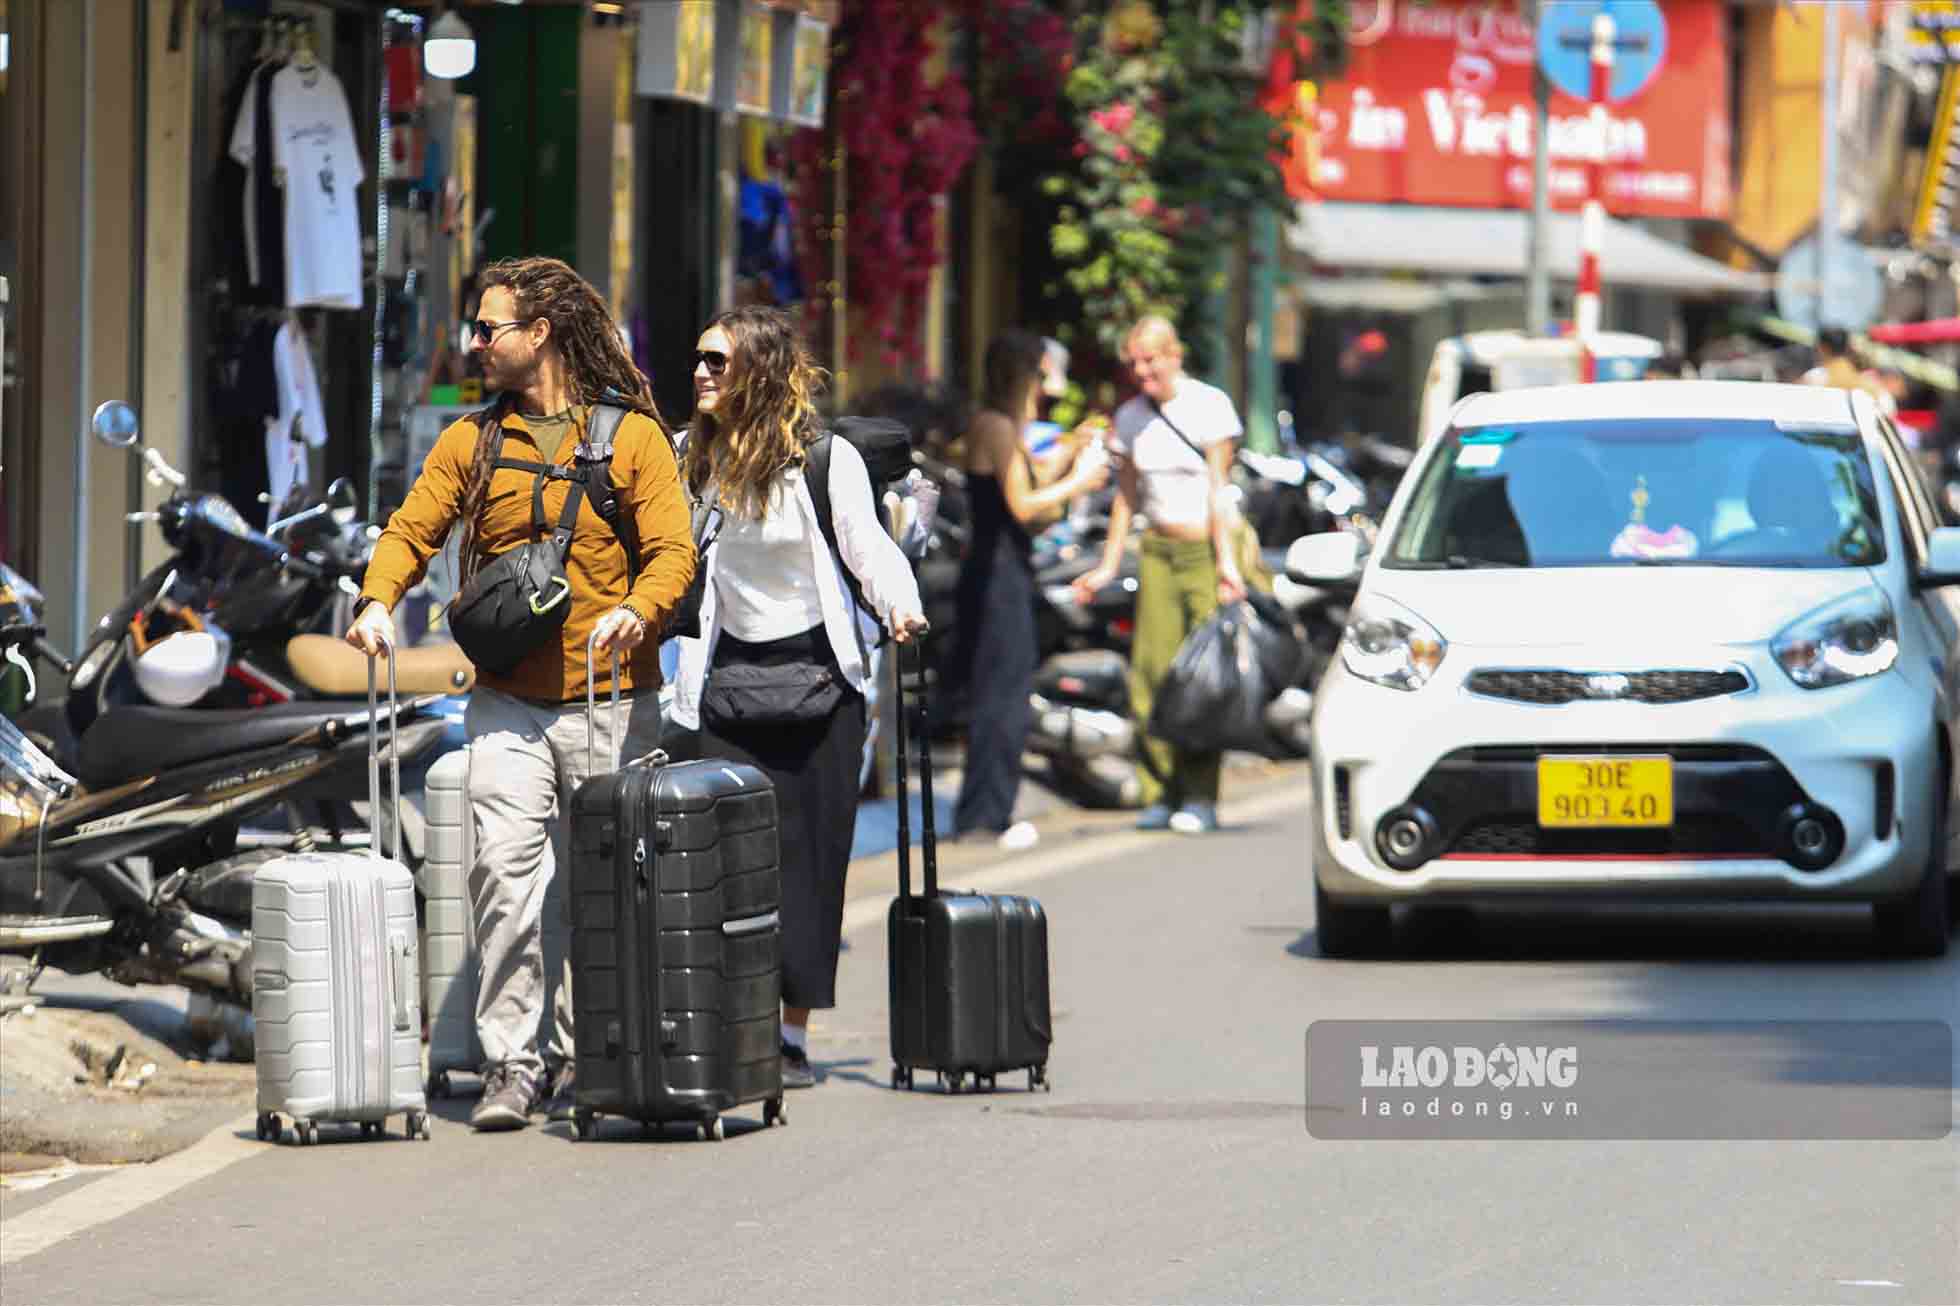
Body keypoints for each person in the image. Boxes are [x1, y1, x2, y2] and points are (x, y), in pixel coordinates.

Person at [346, 256, 694, 1131]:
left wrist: (638, 613)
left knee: (602, 888)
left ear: (538, 335)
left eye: (487, 327)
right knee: (501, 873)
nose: (473, 342)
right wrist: (376, 601)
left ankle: (593, 1051)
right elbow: (411, 528)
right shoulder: (471, 441)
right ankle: (513, 1062)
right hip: (508, 703)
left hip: (613, 698)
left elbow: (674, 554)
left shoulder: (633, 439)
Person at [669, 306, 927, 1090]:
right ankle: (734, 1021)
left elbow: (867, 547)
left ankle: (790, 1035)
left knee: (812, 864)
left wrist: (902, 608)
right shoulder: (691, 457)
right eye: (700, 359)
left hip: (822, 680)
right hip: (727, 681)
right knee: (723, 863)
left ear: (760, 369)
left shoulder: (824, 459)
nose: (703, 373)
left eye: (719, 361)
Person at [1072, 315, 1246, 836]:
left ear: (1175, 355)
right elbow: (1127, 497)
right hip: (1158, 552)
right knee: (1150, 675)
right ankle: (1159, 791)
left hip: (1203, 553)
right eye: (1135, 361)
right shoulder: (1129, 418)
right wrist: (1106, 564)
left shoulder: (1209, 406)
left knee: (1202, 679)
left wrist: (1227, 566)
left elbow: (1220, 488)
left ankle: (1199, 795)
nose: (1142, 370)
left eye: (1151, 359)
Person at [952, 330, 1110, 850]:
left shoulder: (1001, 425)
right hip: (998, 573)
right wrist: (1080, 484)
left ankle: (988, 810)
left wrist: (1070, 448)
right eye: (1039, 375)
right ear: (1022, 375)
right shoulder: (996, 425)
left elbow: (1033, 474)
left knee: (1004, 690)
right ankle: (987, 815)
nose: (1045, 386)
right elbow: (1025, 504)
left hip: (1001, 568)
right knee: (1002, 695)